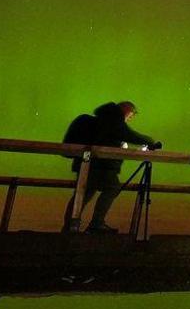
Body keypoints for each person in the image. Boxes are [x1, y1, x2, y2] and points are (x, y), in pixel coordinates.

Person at [65, 100, 158, 233]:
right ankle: (96, 224)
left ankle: (70, 227)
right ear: (126, 110)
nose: (129, 120)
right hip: (101, 166)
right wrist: (150, 141)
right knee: (112, 187)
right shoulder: (113, 120)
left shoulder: (100, 120)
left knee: (83, 195)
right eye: (130, 116)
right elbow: (130, 135)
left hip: (86, 163)